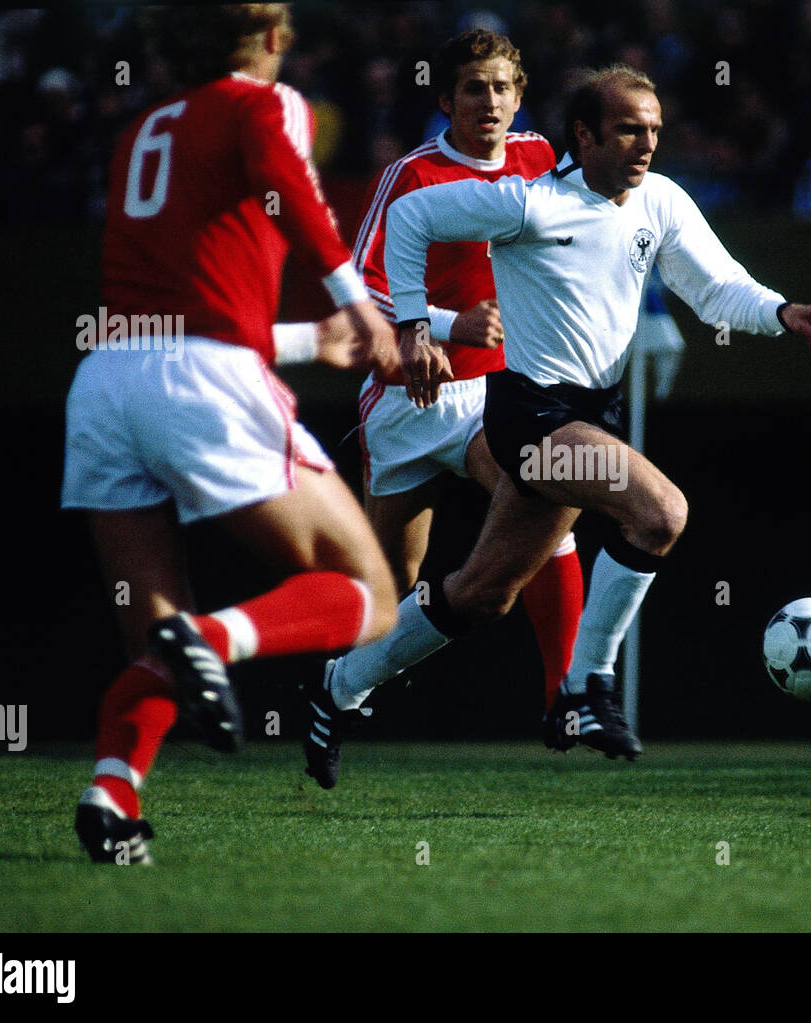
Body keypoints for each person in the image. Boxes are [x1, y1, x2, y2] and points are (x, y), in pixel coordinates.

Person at [319, 65, 811, 763]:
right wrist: (418, 325)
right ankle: (585, 685)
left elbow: (717, 288)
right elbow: (414, 217)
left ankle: (341, 684)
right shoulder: (531, 203)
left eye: (654, 129)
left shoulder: (658, 200)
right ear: (584, 135)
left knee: (483, 592)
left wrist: (781, 311)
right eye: (629, 129)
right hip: (527, 418)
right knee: (661, 513)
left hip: (581, 418)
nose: (646, 143)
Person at [61, 3, 398, 864]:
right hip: (198, 383)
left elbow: (179, 287)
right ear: (276, 38)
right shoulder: (262, 105)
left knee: (149, 632)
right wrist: (356, 305)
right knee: (367, 592)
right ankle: (218, 637)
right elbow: (292, 196)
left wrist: (299, 341)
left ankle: (112, 794)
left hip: (105, 383)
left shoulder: (145, 127)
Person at [302, 29, 584, 789]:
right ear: (445, 100)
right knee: (389, 601)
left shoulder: (542, 159)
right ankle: (340, 688)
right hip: (405, 404)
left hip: (493, 394)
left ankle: (567, 692)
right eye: (472, 89)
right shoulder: (410, 176)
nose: (488, 102)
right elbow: (361, 289)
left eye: (500, 88)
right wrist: (443, 325)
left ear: (518, 96)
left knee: (543, 493)